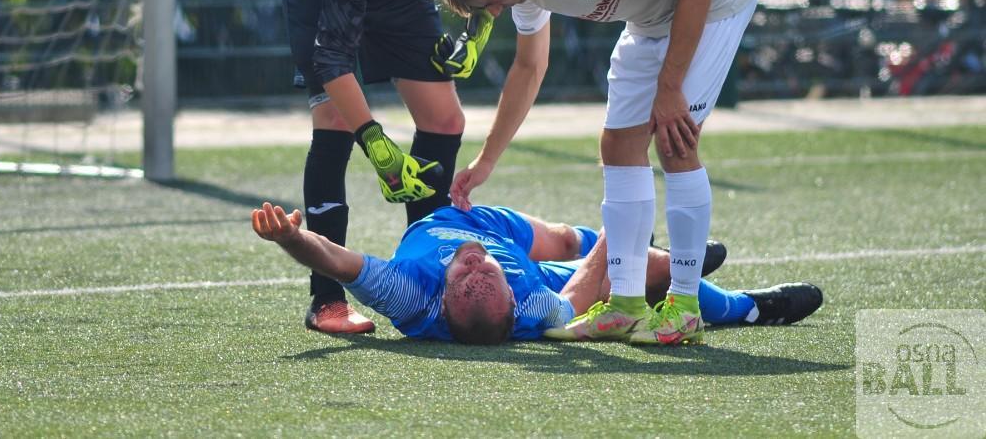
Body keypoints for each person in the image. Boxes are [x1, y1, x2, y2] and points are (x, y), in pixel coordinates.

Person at [433, 0, 761, 345]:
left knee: (674, 140)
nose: (498, 12)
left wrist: (669, 89)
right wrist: (485, 161)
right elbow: (528, 68)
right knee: (618, 144)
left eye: (494, 2)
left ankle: (685, 306)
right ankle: (625, 304)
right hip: (654, 15)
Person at [281, 0, 506, 335]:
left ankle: (428, 272)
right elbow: (332, 58)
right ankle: (326, 301)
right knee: (336, 120)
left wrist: (478, 26)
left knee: (445, 119)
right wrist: (378, 145)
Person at [250, 201, 823, 345]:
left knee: (566, 239)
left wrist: (291, 237)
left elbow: (332, 256)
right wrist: (619, 234)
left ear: (443, 298)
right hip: (536, 269)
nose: (473, 258)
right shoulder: (530, 308)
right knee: (640, 269)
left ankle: (673, 264)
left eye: (467, 268)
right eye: (485, 271)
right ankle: (749, 305)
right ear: (508, 291)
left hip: (469, 216)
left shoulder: (408, 296)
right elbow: (579, 293)